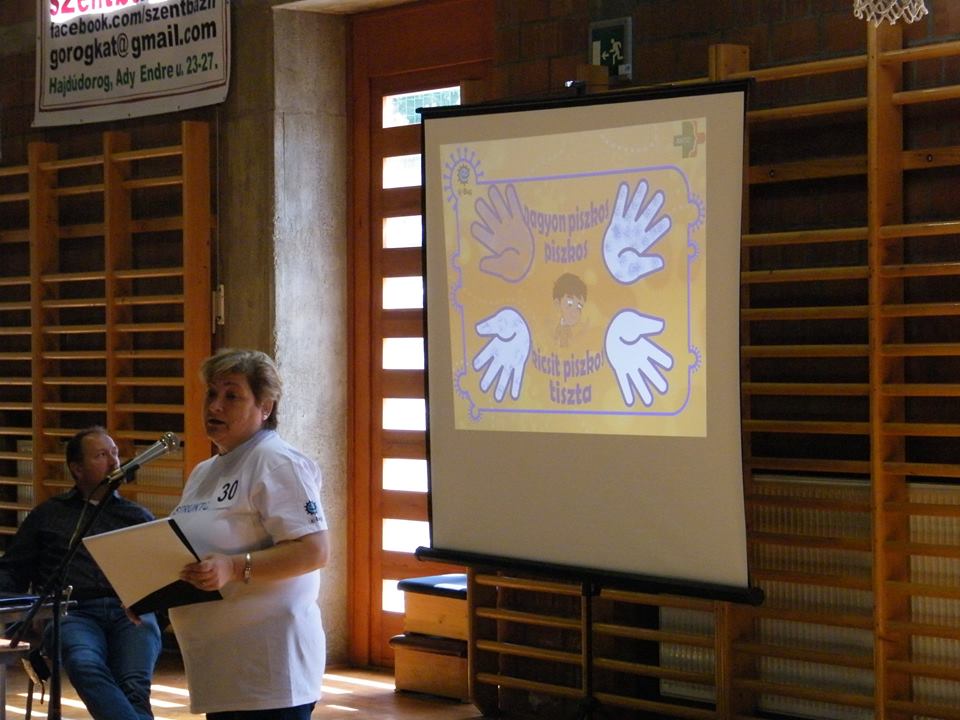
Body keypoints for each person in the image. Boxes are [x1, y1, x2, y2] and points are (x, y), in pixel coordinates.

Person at [168, 348, 329, 719]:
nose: (215, 405)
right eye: (212, 393)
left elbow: (314, 551)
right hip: (221, 666)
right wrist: (146, 595)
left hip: (269, 670)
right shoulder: (204, 472)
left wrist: (233, 568)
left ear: (265, 407)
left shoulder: (278, 462)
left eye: (232, 396)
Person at [0, 426, 163, 720]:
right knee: (85, 664)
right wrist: (18, 615)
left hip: (129, 611)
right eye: (101, 455)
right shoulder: (48, 515)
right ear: (77, 468)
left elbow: (159, 576)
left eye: (115, 454)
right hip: (73, 611)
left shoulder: (136, 516)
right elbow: (12, 570)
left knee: (134, 686)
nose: (114, 463)